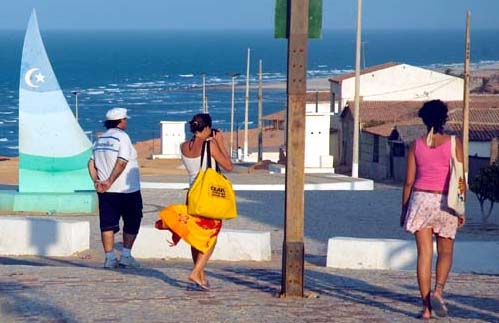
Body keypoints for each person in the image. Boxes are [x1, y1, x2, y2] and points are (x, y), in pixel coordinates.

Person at [401, 100, 466, 320]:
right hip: (445, 202)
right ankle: (438, 290)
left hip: (420, 200)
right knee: (446, 252)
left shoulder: (416, 145)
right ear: (444, 118)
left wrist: (404, 210)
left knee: (424, 256)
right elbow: (460, 179)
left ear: (424, 119)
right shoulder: (454, 143)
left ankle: (426, 309)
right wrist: (461, 209)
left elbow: (409, 182)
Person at [180, 113, 233, 290]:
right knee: (211, 237)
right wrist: (220, 142)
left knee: (196, 237)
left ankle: (200, 275)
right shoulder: (210, 145)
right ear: (208, 128)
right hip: (207, 196)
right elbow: (228, 165)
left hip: (192, 195)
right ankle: (196, 271)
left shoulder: (183, 146)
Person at [88, 107, 143, 269]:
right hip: (127, 190)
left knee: (107, 224)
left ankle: (109, 258)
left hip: (106, 191)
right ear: (121, 121)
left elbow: (90, 163)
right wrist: (110, 180)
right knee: (132, 221)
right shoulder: (122, 137)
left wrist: (97, 181)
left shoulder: (100, 139)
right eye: (125, 119)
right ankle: (126, 255)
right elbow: (122, 161)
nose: (126, 122)